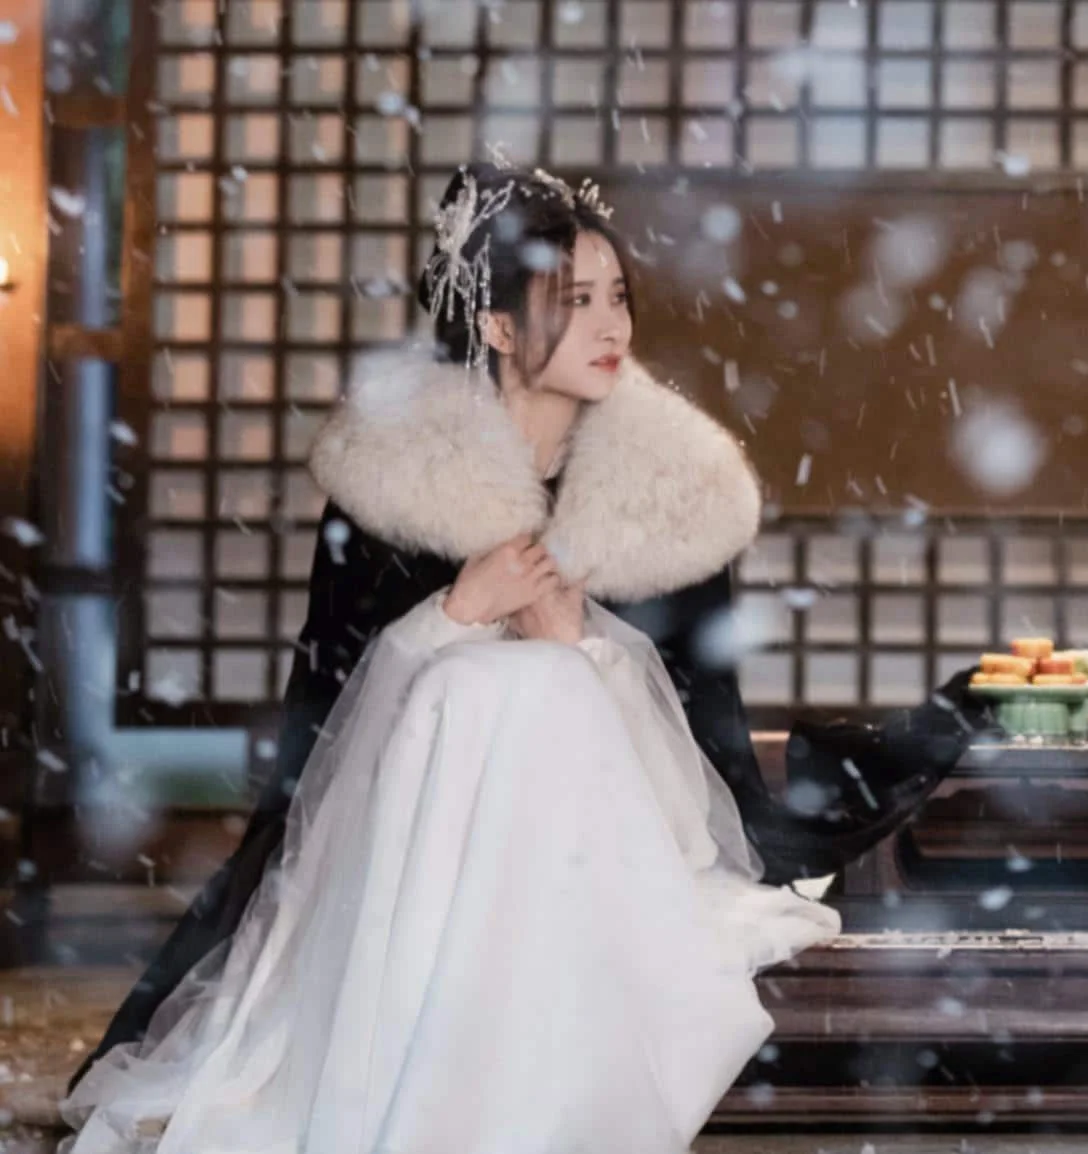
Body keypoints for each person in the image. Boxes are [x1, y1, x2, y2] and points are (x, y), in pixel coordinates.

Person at [62, 165, 972, 1152]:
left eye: (617, 296)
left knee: (539, 679)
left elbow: (695, 730)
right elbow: (331, 711)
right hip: (415, 850)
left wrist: (575, 648)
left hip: (613, 840)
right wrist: (456, 613)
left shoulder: (661, 493)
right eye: (574, 302)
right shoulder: (399, 478)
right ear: (496, 326)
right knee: (482, 678)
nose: (611, 326)